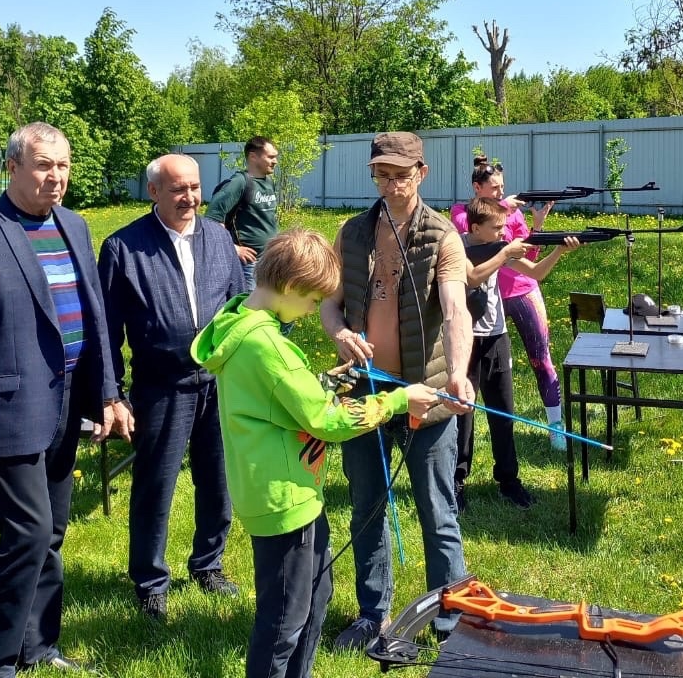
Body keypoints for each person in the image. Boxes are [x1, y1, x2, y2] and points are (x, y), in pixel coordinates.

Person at [193, 228, 439, 678]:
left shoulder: (242, 325)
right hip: (283, 501)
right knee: (283, 621)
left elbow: (277, 398)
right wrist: (400, 401)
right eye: (310, 302)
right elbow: (327, 422)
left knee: (316, 596)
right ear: (288, 288)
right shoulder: (268, 347)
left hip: (291, 493)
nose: (311, 312)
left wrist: (322, 382)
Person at [0, 122, 132, 678]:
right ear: (13, 168)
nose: (57, 177)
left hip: (68, 406)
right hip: (12, 414)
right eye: (44, 165)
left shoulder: (74, 225)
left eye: (64, 166)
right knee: (25, 537)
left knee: (51, 533)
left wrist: (107, 395)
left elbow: (93, 320)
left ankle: (39, 647)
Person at [319, 131, 475, 651]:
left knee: (437, 510)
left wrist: (457, 372)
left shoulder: (441, 236)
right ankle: (372, 614)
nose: (389, 185)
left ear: (421, 174)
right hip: (366, 395)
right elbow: (330, 302)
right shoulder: (353, 232)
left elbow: (455, 310)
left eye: (399, 176)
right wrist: (338, 332)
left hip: (427, 400)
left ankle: (451, 619)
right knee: (365, 506)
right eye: (381, 175)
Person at [97, 153, 246, 621]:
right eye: (179, 189)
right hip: (161, 387)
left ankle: (208, 564)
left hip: (219, 383)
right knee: (156, 486)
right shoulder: (124, 247)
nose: (190, 198)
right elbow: (106, 331)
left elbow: (238, 307)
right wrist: (112, 393)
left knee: (218, 481)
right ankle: (149, 580)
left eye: (195, 188)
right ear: (154, 192)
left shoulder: (219, 238)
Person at [455, 197, 580, 512]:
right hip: (464, 340)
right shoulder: (455, 247)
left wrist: (559, 250)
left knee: (503, 414)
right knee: (463, 417)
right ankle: (456, 484)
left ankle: (509, 481)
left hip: (496, 338)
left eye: (503, 228)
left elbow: (536, 273)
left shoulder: (499, 246)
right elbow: (471, 276)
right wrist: (504, 253)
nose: (501, 233)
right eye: (495, 228)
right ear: (474, 228)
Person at [450, 157, 568, 451]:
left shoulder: (509, 215)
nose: (500, 193)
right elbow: (471, 233)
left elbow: (528, 258)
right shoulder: (463, 215)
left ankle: (556, 427)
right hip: (484, 307)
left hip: (521, 292)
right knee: (469, 389)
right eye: (494, 188)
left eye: (503, 188)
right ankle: (460, 466)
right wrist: (505, 211)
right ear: (477, 188)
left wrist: (542, 232)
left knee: (540, 360)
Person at [205, 136, 280, 288]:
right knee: (248, 307)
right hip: (249, 263)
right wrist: (234, 248)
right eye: (271, 157)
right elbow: (211, 219)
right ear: (253, 156)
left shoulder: (269, 181)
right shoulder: (239, 183)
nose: (275, 161)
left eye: (276, 157)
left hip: (271, 258)